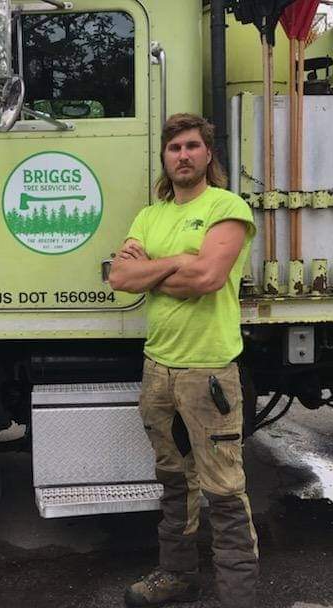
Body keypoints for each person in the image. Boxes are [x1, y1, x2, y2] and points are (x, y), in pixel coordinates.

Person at [108, 113, 258, 608]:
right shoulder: (150, 216)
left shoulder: (227, 207)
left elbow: (207, 279)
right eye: (175, 149)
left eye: (193, 146)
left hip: (208, 371)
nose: (184, 155)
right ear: (165, 158)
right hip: (159, 371)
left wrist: (155, 268)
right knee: (174, 480)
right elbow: (120, 279)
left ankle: (237, 597)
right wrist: (178, 262)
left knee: (223, 489)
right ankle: (178, 576)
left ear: (208, 154)